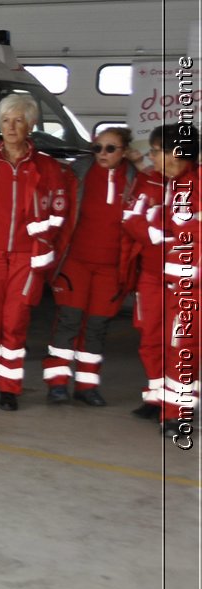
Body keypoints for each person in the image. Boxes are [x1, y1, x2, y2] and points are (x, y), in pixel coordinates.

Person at [0, 92, 74, 411]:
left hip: (27, 259)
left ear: (32, 125)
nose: (11, 127)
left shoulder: (47, 167)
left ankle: (9, 388)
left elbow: (57, 211)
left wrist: (36, 239)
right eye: (6, 121)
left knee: (15, 323)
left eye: (19, 120)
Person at [43, 127, 140, 406]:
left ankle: (86, 385)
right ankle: (57, 383)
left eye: (110, 148)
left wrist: (140, 161)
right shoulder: (77, 173)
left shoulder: (134, 178)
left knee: (97, 326)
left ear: (124, 151)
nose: (102, 154)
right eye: (98, 148)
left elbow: (159, 185)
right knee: (68, 321)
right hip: (75, 263)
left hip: (111, 269)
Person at [123, 123, 199, 443]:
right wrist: (156, 231)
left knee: (181, 349)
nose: (151, 157)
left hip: (186, 287)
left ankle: (177, 413)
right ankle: (158, 399)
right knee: (152, 340)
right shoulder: (155, 180)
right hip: (155, 278)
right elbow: (132, 219)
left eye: (156, 151)